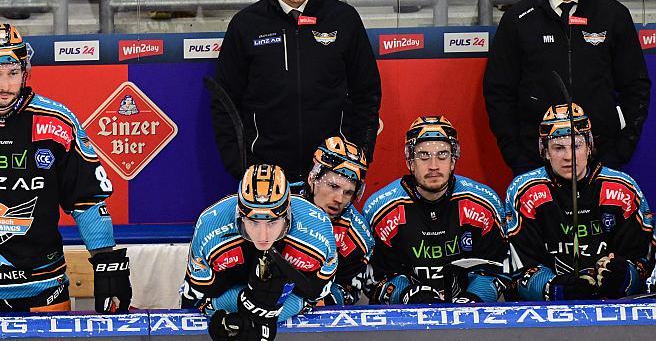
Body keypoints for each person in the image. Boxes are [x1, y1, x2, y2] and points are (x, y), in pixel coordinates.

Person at [0, 23, 131, 313]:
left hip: (42, 285)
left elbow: (87, 199)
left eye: (13, 73)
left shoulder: (57, 120)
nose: (4, 85)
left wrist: (107, 263)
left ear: (25, 71)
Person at [210, 0, 381, 183]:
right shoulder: (246, 25)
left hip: (333, 172)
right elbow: (225, 103)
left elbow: (366, 95)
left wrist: (357, 159)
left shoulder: (344, 19)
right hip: (266, 176)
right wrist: (242, 168)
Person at [484, 0, 650, 176]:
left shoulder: (613, 15)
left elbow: (636, 86)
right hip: (535, 162)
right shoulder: (518, 20)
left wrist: (620, 150)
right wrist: (517, 156)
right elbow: (499, 91)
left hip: (602, 159)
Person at [505, 103, 655, 301]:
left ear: (589, 145)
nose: (568, 157)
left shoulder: (623, 188)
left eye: (576, 145)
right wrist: (555, 288)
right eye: (558, 148)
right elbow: (517, 271)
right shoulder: (524, 191)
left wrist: (624, 276)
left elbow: (644, 262)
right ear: (546, 151)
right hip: (548, 313)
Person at [181, 164, 337, 341]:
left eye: (272, 222)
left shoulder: (319, 230)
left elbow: (314, 298)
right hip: (228, 291)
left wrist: (260, 313)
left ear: (287, 216)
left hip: (284, 303)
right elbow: (196, 300)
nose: (263, 235)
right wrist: (246, 305)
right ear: (240, 216)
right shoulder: (209, 226)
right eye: (254, 222)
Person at [363, 116, 507, 304]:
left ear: (453, 160)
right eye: (423, 155)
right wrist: (410, 294)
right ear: (410, 162)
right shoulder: (380, 209)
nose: (433, 166)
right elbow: (372, 277)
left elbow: (497, 268)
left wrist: (474, 299)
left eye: (442, 155)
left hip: (469, 319)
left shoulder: (483, 203)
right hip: (404, 321)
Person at [290, 136, 374, 306]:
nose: (339, 198)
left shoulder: (357, 235)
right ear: (312, 178)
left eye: (348, 192)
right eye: (333, 186)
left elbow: (349, 288)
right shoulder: (282, 204)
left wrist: (326, 299)